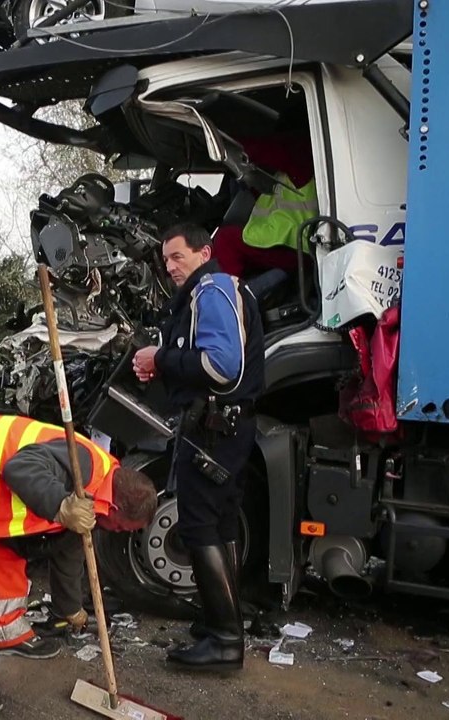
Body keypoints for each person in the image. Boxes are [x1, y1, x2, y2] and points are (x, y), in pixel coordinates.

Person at [0, 414, 159, 717]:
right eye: (121, 527)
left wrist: (71, 609)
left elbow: (69, 554)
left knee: (9, 564)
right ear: (117, 508)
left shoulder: (101, 489)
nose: (116, 532)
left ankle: (6, 632)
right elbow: (20, 468)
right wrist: (61, 505)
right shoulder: (83, 466)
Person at [131, 222, 265, 672]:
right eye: (165, 259)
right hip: (225, 428)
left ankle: (226, 642)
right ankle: (221, 622)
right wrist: (163, 364)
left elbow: (221, 366)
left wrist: (160, 358)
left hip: (212, 430)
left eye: (177, 256)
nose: (170, 266)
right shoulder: (210, 291)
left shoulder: (210, 289)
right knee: (222, 522)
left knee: (198, 525)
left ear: (203, 253)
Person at [213, 134, 318, 280]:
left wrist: (219, 142)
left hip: (297, 247)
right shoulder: (288, 173)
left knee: (226, 240)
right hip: (285, 243)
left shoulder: (299, 161)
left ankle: (227, 297)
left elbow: (258, 150)